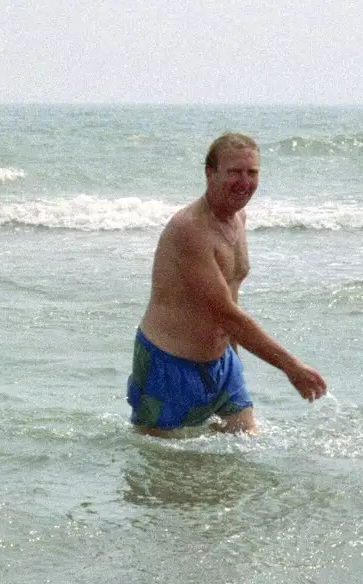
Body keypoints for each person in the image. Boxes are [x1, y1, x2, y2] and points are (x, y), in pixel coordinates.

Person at [128, 132, 326, 434]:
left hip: (222, 364)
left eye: (252, 172)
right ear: (209, 173)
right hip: (169, 367)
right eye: (234, 172)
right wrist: (291, 367)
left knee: (243, 455)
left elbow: (232, 296)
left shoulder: (238, 219)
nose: (244, 182)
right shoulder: (190, 229)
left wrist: (233, 358)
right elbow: (224, 312)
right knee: (162, 470)